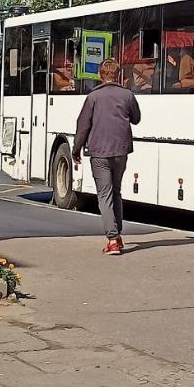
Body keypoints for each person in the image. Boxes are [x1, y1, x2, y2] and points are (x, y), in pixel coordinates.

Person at [72, 58, 142, 255]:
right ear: (118, 74)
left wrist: (76, 149)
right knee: (116, 191)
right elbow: (136, 119)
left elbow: (83, 125)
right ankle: (117, 236)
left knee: (105, 194)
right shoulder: (127, 95)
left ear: (101, 75)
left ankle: (112, 239)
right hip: (121, 151)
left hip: (99, 152)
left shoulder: (93, 98)